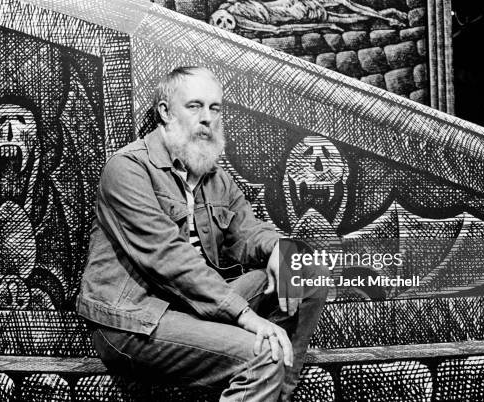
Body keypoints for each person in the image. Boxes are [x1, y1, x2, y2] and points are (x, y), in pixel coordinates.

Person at [76, 66, 326, 401]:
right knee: (261, 352)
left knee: (307, 271)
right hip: (134, 321)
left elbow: (247, 231)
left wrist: (281, 249)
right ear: (165, 112)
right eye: (194, 106)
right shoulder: (127, 168)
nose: (207, 118)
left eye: (215, 108)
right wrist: (245, 315)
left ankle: (279, 396)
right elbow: (168, 258)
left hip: (194, 308)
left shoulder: (214, 177)